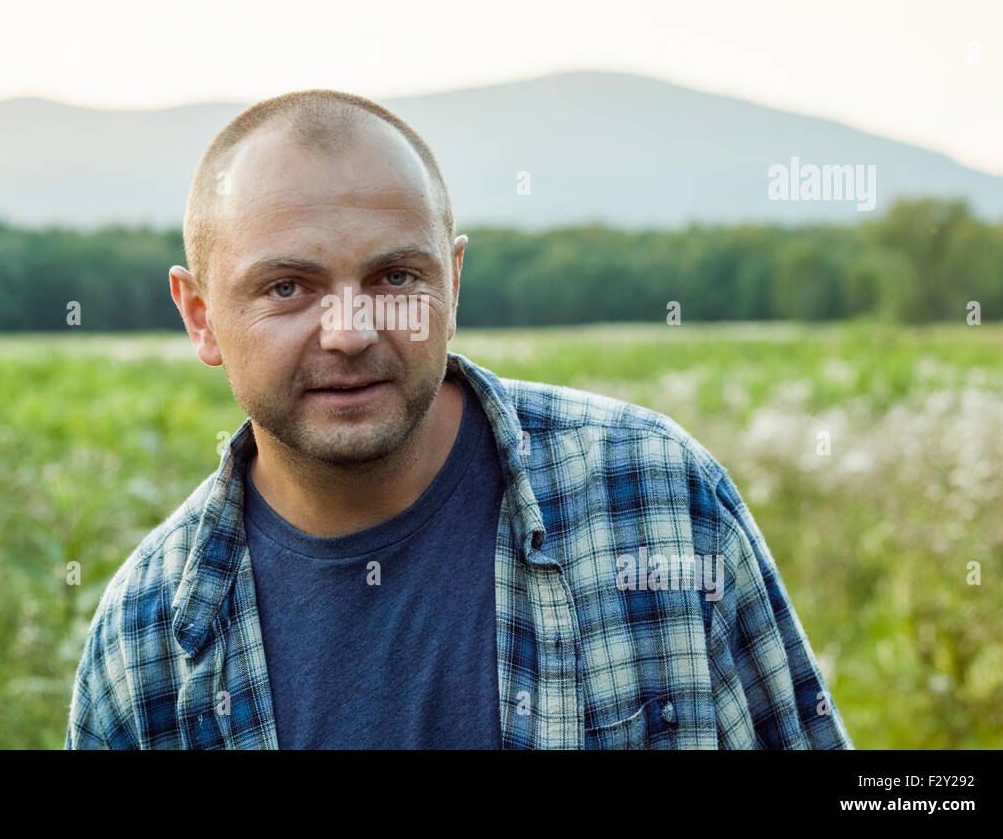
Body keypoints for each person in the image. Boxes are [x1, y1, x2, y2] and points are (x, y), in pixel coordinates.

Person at [64, 89, 852, 749]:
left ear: (454, 281)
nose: (350, 330)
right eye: (286, 288)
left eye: (395, 275)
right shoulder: (146, 641)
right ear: (200, 317)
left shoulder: (657, 499)